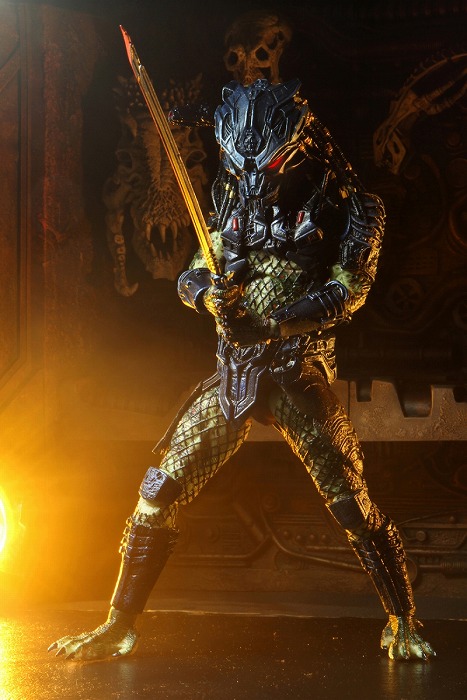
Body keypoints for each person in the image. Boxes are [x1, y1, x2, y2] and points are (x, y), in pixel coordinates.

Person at [49, 78, 435, 662]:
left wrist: (273, 325)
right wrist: (211, 296)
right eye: (240, 164)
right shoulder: (230, 199)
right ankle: (118, 624)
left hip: (297, 372)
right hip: (235, 373)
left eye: (269, 165)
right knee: (157, 491)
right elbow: (190, 275)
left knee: (351, 503)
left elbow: (347, 291)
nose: (255, 180)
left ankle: (403, 620)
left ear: (298, 148)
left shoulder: (355, 207)